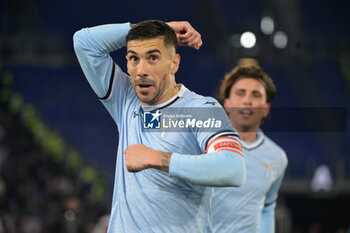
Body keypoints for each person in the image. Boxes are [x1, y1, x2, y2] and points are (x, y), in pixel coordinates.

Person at [73, 20, 246, 233]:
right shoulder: (126, 99)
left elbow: (233, 168)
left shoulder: (200, 109)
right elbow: (84, 43)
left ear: (174, 63)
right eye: (133, 58)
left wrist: (158, 158)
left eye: (153, 58)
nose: (141, 70)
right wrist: (162, 27)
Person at [211, 63, 288, 233]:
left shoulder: (277, 157)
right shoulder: (202, 144)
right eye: (240, 93)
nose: (247, 101)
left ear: (266, 109)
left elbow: (267, 208)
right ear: (227, 104)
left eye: (256, 95)